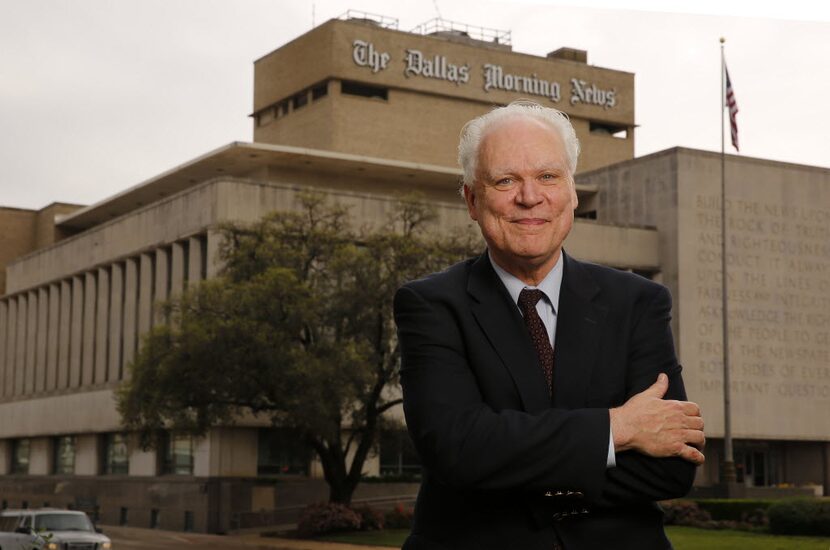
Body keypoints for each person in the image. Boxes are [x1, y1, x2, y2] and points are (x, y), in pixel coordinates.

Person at [393, 100, 705, 549]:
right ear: (471, 200)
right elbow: (458, 450)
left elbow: (673, 464)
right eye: (505, 180)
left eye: (548, 176)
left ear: (573, 191)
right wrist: (618, 429)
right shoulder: (431, 305)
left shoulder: (638, 303)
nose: (529, 196)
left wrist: (512, 469)